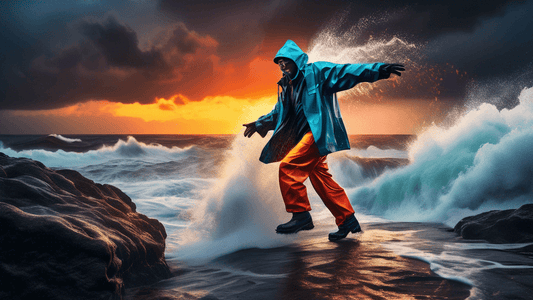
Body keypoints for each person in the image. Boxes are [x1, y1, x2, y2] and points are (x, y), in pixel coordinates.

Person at [243, 40, 404, 241]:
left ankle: (301, 215)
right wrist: (259, 124)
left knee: (289, 166)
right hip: (303, 138)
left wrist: (379, 70)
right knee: (322, 180)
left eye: (285, 61)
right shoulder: (286, 86)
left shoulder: (317, 72)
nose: (282, 66)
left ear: (295, 59)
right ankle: (347, 220)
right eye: (279, 63)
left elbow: (347, 72)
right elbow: (279, 113)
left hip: (317, 134)